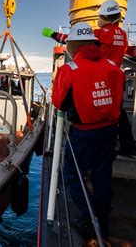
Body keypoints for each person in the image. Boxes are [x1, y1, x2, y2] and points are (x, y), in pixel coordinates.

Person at [52, 22, 125, 242]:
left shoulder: (70, 70)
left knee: (72, 174)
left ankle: (89, 214)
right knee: (102, 173)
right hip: (110, 131)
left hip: (84, 134)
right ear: (94, 43)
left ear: (73, 46)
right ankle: (102, 213)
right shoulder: (114, 66)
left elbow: (58, 103)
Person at [45, 0, 136, 156]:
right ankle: (128, 146)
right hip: (115, 77)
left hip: (99, 75)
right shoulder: (122, 35)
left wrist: (53, 34)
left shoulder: (101, 34)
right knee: (117, 113)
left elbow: (73, 39)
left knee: (91, 111)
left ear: (105, 17)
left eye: (100, 16)